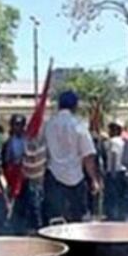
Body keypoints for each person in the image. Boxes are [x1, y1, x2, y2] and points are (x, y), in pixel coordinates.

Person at [42, 91, 102, 223]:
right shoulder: (79, 126)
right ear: (75, 106)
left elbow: (42, 151)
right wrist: (94, 180)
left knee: (55, 220)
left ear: (59, 105)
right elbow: (88, 156)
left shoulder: (48, 125)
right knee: (77, 220)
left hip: (53, 177)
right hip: (76, 178)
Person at [102, 122, 128, 221]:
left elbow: (114, 155)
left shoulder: (113, 141)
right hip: (123, 171)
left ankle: (112, 216)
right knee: (121, 196)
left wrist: (112, 172)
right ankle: (121, 215)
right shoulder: (123, 141)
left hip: (114, 171)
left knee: (112, 196)